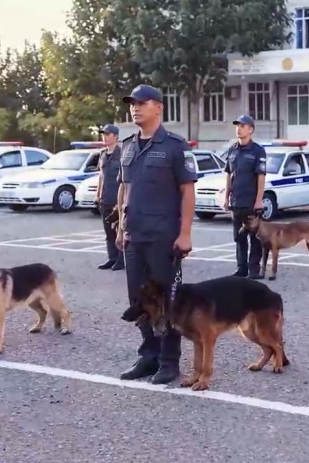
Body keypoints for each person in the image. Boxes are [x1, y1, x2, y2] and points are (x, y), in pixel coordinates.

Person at [115, 84, 197, 384]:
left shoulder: (175, 145)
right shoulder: (128, 145)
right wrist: (121, 228)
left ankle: (168, 361)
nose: (135, 108)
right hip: (134, 237)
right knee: (139, 300)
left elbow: (188, 191)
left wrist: (185, 233)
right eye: (132, 104)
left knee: (166, 300)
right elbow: (125, 188)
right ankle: (148, 356)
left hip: (164, 238)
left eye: (141, 103)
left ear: (158, 107)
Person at [223, 114, 267, 279]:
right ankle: (242, 268)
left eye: (242, 126)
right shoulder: (232, 149)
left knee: (255, 238)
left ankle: (254, 270)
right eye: (237, 126)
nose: (239, 129)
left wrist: (258, 200)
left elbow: (261, 176)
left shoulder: (257, 151)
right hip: (236, 202)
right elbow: (229, 174)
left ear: (251, 129)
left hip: (251, 202)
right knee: (238, 237)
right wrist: (226, 197)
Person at [95, 124, 124, 271]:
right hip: (105, 199)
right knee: (108, 232)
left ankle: (121, 260)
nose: (104, 137)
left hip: (117, 200)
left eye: (107, 134)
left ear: (116, 137)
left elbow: (126, 179)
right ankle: (111, 258)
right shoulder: (102, 154)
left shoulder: (122, 153)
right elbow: (101, 175)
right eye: (103, 134)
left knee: (120, 230)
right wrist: (98, 194)